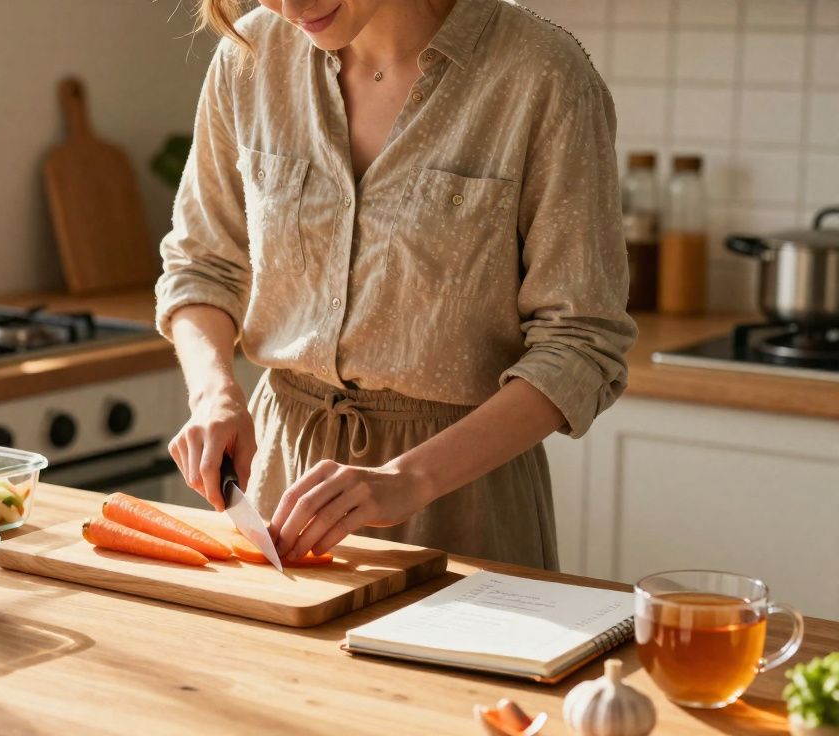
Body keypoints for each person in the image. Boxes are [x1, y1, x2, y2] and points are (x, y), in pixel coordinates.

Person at [155, 0, 636, 570]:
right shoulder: (252, 54)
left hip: (461, 498)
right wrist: (214, 392)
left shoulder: (542, 74)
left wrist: (406, 479)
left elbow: (581, 344)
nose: (289, 7)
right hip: (278, 486)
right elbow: (202, 265)